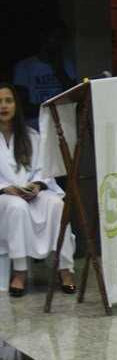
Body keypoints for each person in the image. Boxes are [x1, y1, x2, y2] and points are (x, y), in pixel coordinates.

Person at [0, 82, 76, 297]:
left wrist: (37, 185)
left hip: (32, 193)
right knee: (17, 207)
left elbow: (44, 169)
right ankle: (20, 272)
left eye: (8, 101)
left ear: (16, 105)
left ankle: (65, 269)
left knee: (56, 204)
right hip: (4, 198)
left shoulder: (31, 136)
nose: (3, 106)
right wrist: (5, 188)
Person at [12, 21, 76, 130]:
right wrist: (50, 109)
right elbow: (22, 105)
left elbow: (74, 98)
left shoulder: (68, 65)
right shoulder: (24, 66)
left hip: (64, 123)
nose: (57, 43)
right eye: (54, 38)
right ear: (44, 38)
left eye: (61, 39)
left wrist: (59, 69)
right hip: (35, 125)